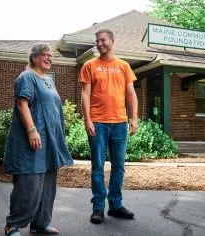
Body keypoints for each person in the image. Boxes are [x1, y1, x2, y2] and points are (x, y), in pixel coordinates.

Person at [2, 43, 74, 235]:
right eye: (45, 55)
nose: (50, 58)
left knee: (47, 185)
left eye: (51, 55)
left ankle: (40, 224)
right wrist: (32, 130)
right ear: (34, 58)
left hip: (50, 142)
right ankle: (12, 225)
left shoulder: (48, 80)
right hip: (32, 141)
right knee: (29, 183)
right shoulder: (27, 77)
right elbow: (22, 104)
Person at [79, 28, 139, 224]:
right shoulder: (89, 65)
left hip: (120, 123)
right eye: (97, 41)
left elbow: (131, 94)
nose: (99, 43)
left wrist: (134, 118)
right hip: (97, 122)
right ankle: (98, 207)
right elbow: (85, 94)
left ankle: (115, 204)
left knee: (119, 166)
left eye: (103, 40)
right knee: (97, 166)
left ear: (112, 41)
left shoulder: (123, 66)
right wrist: (87, 119)